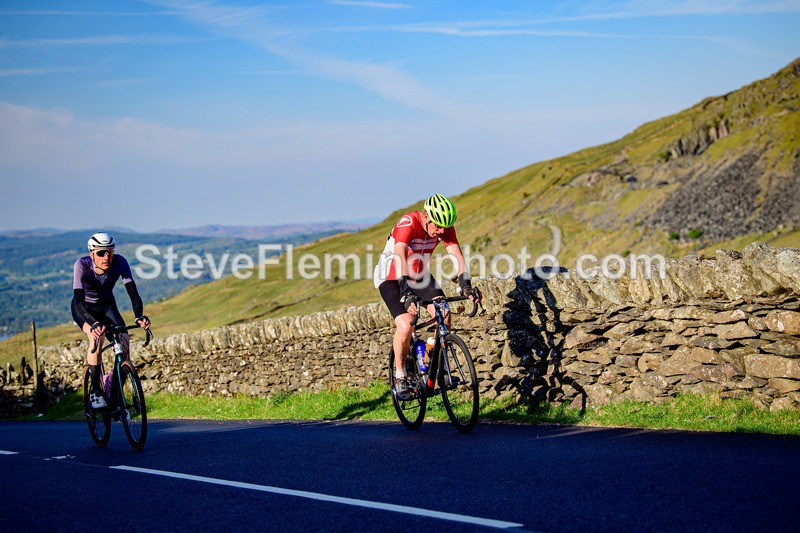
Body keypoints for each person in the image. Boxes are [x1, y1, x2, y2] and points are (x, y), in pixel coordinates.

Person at [374, 194, 482, 400]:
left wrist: (466, 284)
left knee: (445, 313)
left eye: (445, 227)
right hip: (391, 276)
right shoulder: (408, 223)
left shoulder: (445, 227)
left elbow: (456, 254)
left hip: (420, 274)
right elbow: (399, 253)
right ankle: (400, 375)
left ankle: (433, 365)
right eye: (438, 226)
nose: (441, 232)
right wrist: (406, 292)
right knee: (406, 325)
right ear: (425, 216)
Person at [71, 232, 150, 409]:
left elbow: (133, 294)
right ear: (92, 253)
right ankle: (96, 391)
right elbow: (78, 301)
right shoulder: (82, 265)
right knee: (96, 340)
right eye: (101, 253)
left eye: (110, 252)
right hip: (84, 309)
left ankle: (114, 394)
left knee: (124, 343)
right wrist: (93, 323)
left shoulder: (120, 262)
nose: (106, 257)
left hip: (107, 307)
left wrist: (139, 315)